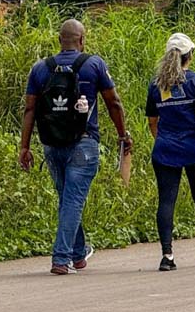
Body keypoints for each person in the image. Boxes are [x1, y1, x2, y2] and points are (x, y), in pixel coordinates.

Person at [19, 19, 132, 275]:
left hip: (51, 145)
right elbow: (113, 103)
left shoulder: (40, 68)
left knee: (68, 199)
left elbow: (29, 109)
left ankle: (79, 253)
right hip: (84, 143)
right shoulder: (93, 64)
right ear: (82, 40)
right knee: (72, 200)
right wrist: (123, 134)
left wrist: (24, 147)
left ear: (60, 40)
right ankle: (61, 258)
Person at [145, 33, 195, 272]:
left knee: (166, 200)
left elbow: (152, 121)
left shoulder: (156, 84)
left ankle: (167, 256)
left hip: (165, 149)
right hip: (194, 149)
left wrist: (164, 140)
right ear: (189, 56)